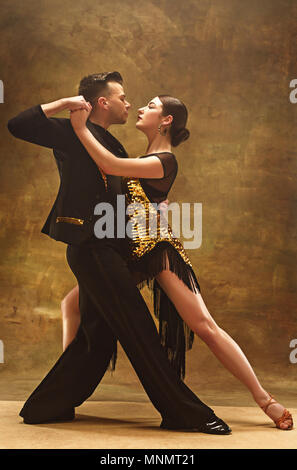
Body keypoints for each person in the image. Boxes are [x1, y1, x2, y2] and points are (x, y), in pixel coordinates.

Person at [7, 71, 231, 434]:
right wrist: (65, 105)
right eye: (122, 97)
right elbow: (18, 125)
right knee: (139, 329)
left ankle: (47, 405)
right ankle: (183, 412)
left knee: (97, 338)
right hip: (92, 248)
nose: (129, 103)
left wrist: (155, 210)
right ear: (102, 102)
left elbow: (127, 196)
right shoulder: (69, 131)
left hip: (111, 248)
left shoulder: (113, 144)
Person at [63, 94, 293, 431]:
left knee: (205, 327)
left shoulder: (164, 159)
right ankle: (65, 385)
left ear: (166, 120)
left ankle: (265, 399)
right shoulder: (148, 159)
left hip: (159, 252)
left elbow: (109, 165)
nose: (141, 108)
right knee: (71, 304)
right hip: (134, 254)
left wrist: (80, 129)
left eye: (151, 106)